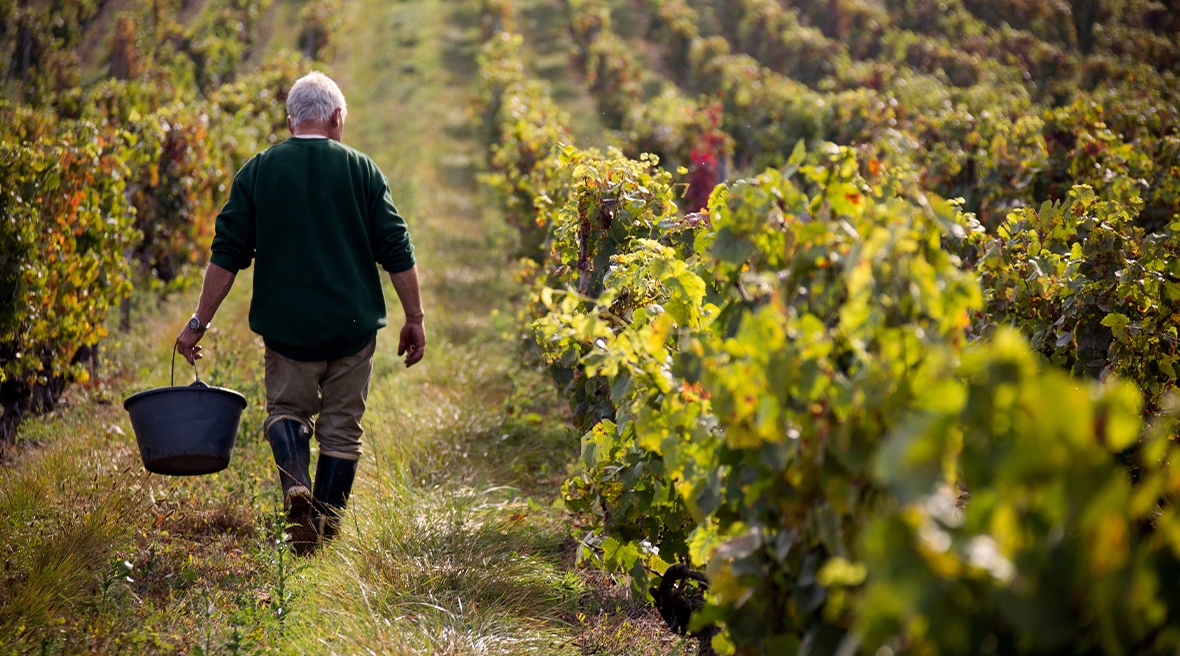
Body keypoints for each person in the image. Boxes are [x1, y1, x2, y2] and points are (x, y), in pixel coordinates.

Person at [174, 71, 426, 556]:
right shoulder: (363, 170)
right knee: (342, 428)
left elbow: (226, 255)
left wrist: (196, 324)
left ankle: (295, 484)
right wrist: (414, 317)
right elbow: (397, 249)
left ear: (291, 122)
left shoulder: (259, 171)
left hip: (287, 331)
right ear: (335, 118)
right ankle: (323, 537)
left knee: (287, 412)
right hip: (351, 330)